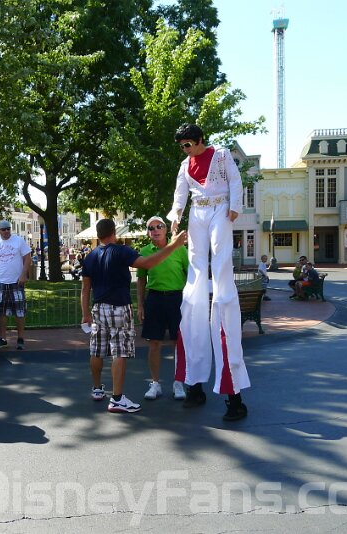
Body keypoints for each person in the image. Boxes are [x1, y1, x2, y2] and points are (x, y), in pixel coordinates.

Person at [168, 123, 250, 421]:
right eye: (183, 146)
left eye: (188, 144)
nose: (186, 149)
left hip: (220, 208)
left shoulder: (222, 155)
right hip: (198, 211)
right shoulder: (185, 165)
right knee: (196, 268)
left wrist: (235, 206)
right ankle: (195, 384)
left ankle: (222, 291)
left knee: (221, 256)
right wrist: (176, 215)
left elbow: (236, 181)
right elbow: (180, 194)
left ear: (200, 140)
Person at [81, 218, 187, 413]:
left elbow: (85, 289)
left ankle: (97, 389)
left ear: (98, 235)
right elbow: (148, 263)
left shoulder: (90, 257)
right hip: (119, 307)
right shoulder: (122, 251)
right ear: (114, 233)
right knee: (119, 352)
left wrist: (85, 313)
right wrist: (174, 245)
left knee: (96, 350)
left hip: (98, 308)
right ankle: (117, 399)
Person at [136, 216, 189, 401]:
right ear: (148, 233)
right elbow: (141, 280)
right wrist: (140, 304)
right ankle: (155, 383)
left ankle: (178, 382)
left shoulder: (180, 249)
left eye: (159, 226)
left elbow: (190, 274)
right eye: (151, 228)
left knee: (178, 342)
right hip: (155, 298)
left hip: (177, 299)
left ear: (166, 229)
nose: (156, 230)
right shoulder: (144, 252)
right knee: (154, 343)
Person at [0, 220, 31, 350]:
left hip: (16, 281)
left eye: (8, 229)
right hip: (1, 282)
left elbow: (27, 258)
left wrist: (24, 275)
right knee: (0, 312)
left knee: (19, 311)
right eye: (3, 229)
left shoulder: (19, 241)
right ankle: (3, 338)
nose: (6, 231)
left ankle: (20, 338)